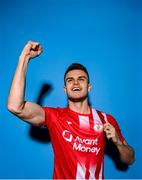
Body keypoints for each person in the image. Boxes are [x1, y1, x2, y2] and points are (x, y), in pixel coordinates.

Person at [7, 41, 134, 179]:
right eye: (70, 80)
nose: (75, 83)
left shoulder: (106, 120)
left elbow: (129, 159)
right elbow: (15, 106)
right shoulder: (55, 117)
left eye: (81, 79)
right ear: (65, 89)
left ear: (89, 87)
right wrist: (24, 58)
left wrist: (118, 143)